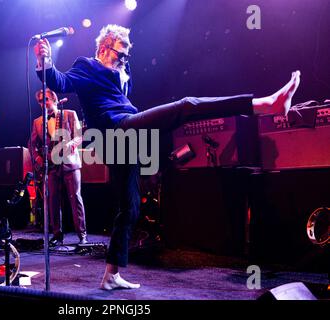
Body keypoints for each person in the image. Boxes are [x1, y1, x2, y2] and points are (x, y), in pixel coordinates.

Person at [33, 24, 301, 290]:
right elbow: (61, 81)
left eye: (127, 56)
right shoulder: (88, 66)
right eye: (120, 54)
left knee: (130, 207)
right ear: (104, 48)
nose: (124, 60)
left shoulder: (122, 74)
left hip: (127, 138)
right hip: (114, 129)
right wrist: (44, 62)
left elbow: (119, 92)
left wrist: (122, 72)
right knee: (186, 106)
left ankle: (110, 275)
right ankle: (265, 105)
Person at [29, 88, 88, 245]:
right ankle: (57, 234)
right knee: (52, 201)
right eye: (41, 101)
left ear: (54, 100)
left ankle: (82, 235)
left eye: (46, 99)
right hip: (51, 166)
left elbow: (79, 136)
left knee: (75, 198)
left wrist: (70, 144)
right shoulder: (37, 122)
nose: (43, 103)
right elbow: (32, 144)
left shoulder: (69, 114)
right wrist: (39, 159)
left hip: (70, 163)